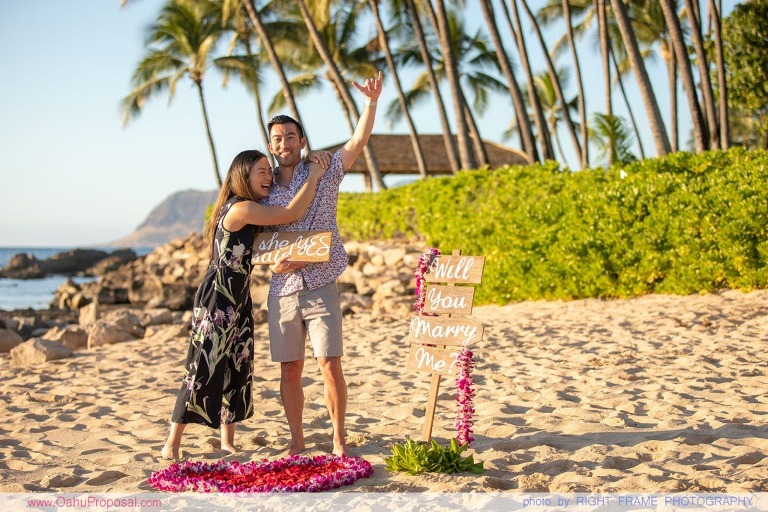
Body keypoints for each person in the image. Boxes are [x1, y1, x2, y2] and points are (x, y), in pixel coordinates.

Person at [161, 149, 328, 460]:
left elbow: (255, 253)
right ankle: (171, 443)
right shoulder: (240, 208)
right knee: (202, 365)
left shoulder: (248, 209)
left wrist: (276, 262)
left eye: (269, 170)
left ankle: (228, 441)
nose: (268, 177)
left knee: (237, 365)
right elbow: (292, 213)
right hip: (218, 295)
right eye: (261, 171)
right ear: (243, 176)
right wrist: (315, 177)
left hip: (239, 295)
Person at [262, 71, 383, 457]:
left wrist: (371, 102)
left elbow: (357, 141)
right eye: (277, 138)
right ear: (270, 144)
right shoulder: (262, 190)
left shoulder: (325, 170)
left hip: (321, 284)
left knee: (330, 365)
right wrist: (266, 263)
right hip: (282, 290)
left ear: (302, 141)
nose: (284, 143)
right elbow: (254, 237)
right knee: (289, 370)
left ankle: (338, 438)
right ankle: (297, 441)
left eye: (290, 137)